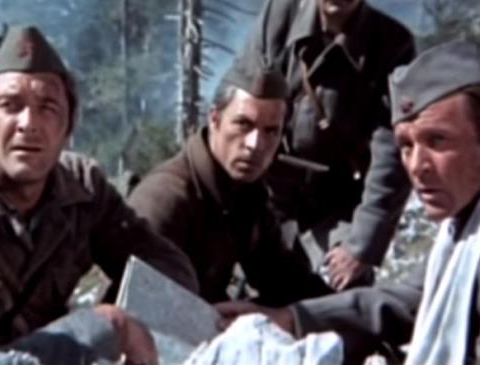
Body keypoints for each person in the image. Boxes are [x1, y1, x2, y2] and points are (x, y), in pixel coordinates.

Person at [216, 41, 480, 364]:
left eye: (437, 140)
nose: (417, 166)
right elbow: (411, 300)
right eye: (406, 145)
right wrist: (291, 319)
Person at [0, 25, 198, 362]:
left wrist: (123, 317)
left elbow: (168, 269)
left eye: (47, 107)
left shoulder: (82, 191)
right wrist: (99, 329)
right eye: (10, 105)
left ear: (69, 125)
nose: (28, 123)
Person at [238, 0, 416, 290]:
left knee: (344, 291)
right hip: (265, 195)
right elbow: (237, 102)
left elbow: (391, 151)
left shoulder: (391, 45)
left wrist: (362, 245)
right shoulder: (278, 21)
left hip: (335, 206)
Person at [128, 55, 332, 306]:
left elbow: (284, 278)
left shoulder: (246, 193)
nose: (255, 144)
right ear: (215, 120)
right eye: (244, 124)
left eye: (271, 131)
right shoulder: (165, 200)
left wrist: (350, 312)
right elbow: (135, 308)